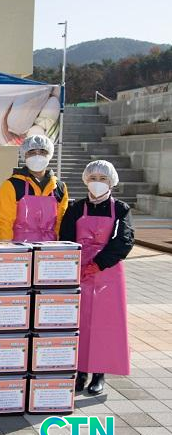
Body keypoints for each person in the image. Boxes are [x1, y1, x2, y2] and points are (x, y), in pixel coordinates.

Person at [59, 160, 133, 395]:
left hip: (107, 272)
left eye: (102, 179)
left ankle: (99, 373)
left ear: (111, 182)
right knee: (78, 322)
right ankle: (79, 371)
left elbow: (124, 239)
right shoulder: (75, 208)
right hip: (79, 270)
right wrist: (74, 263)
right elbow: (65, 236)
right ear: (86, 180)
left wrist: (99, 263)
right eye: (93, 178)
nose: (97, 183)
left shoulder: (120, 209)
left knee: (104, 323)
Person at [0, 135, 69, 241]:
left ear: (50, 155)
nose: (37, 156)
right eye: (32, 152)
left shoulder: (60, 187)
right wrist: (7, 246)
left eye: (42, 152)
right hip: (19, 247)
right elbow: (5, 221)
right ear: (24, 155)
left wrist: (58, 245)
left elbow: (60, 222)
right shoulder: (12, 185)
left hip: (49, 247)